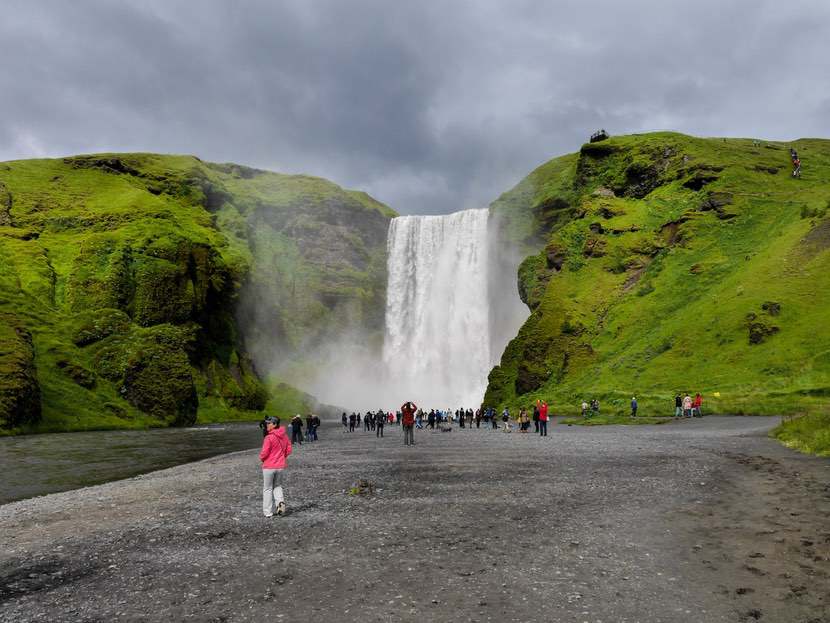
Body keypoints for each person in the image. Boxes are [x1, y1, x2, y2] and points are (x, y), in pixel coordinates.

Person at [260, 416, 292, 518]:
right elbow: (289, 450)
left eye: (269, 423)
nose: (267, 425)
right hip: (280, 466)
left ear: (274, 424)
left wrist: (262, 459)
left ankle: (268, 512)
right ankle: (280, 507)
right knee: (277, 487)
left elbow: (264, 453)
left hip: (269, 466)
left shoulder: (268, 437)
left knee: (267, 489)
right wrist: (282, 458)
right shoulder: (285, 436)